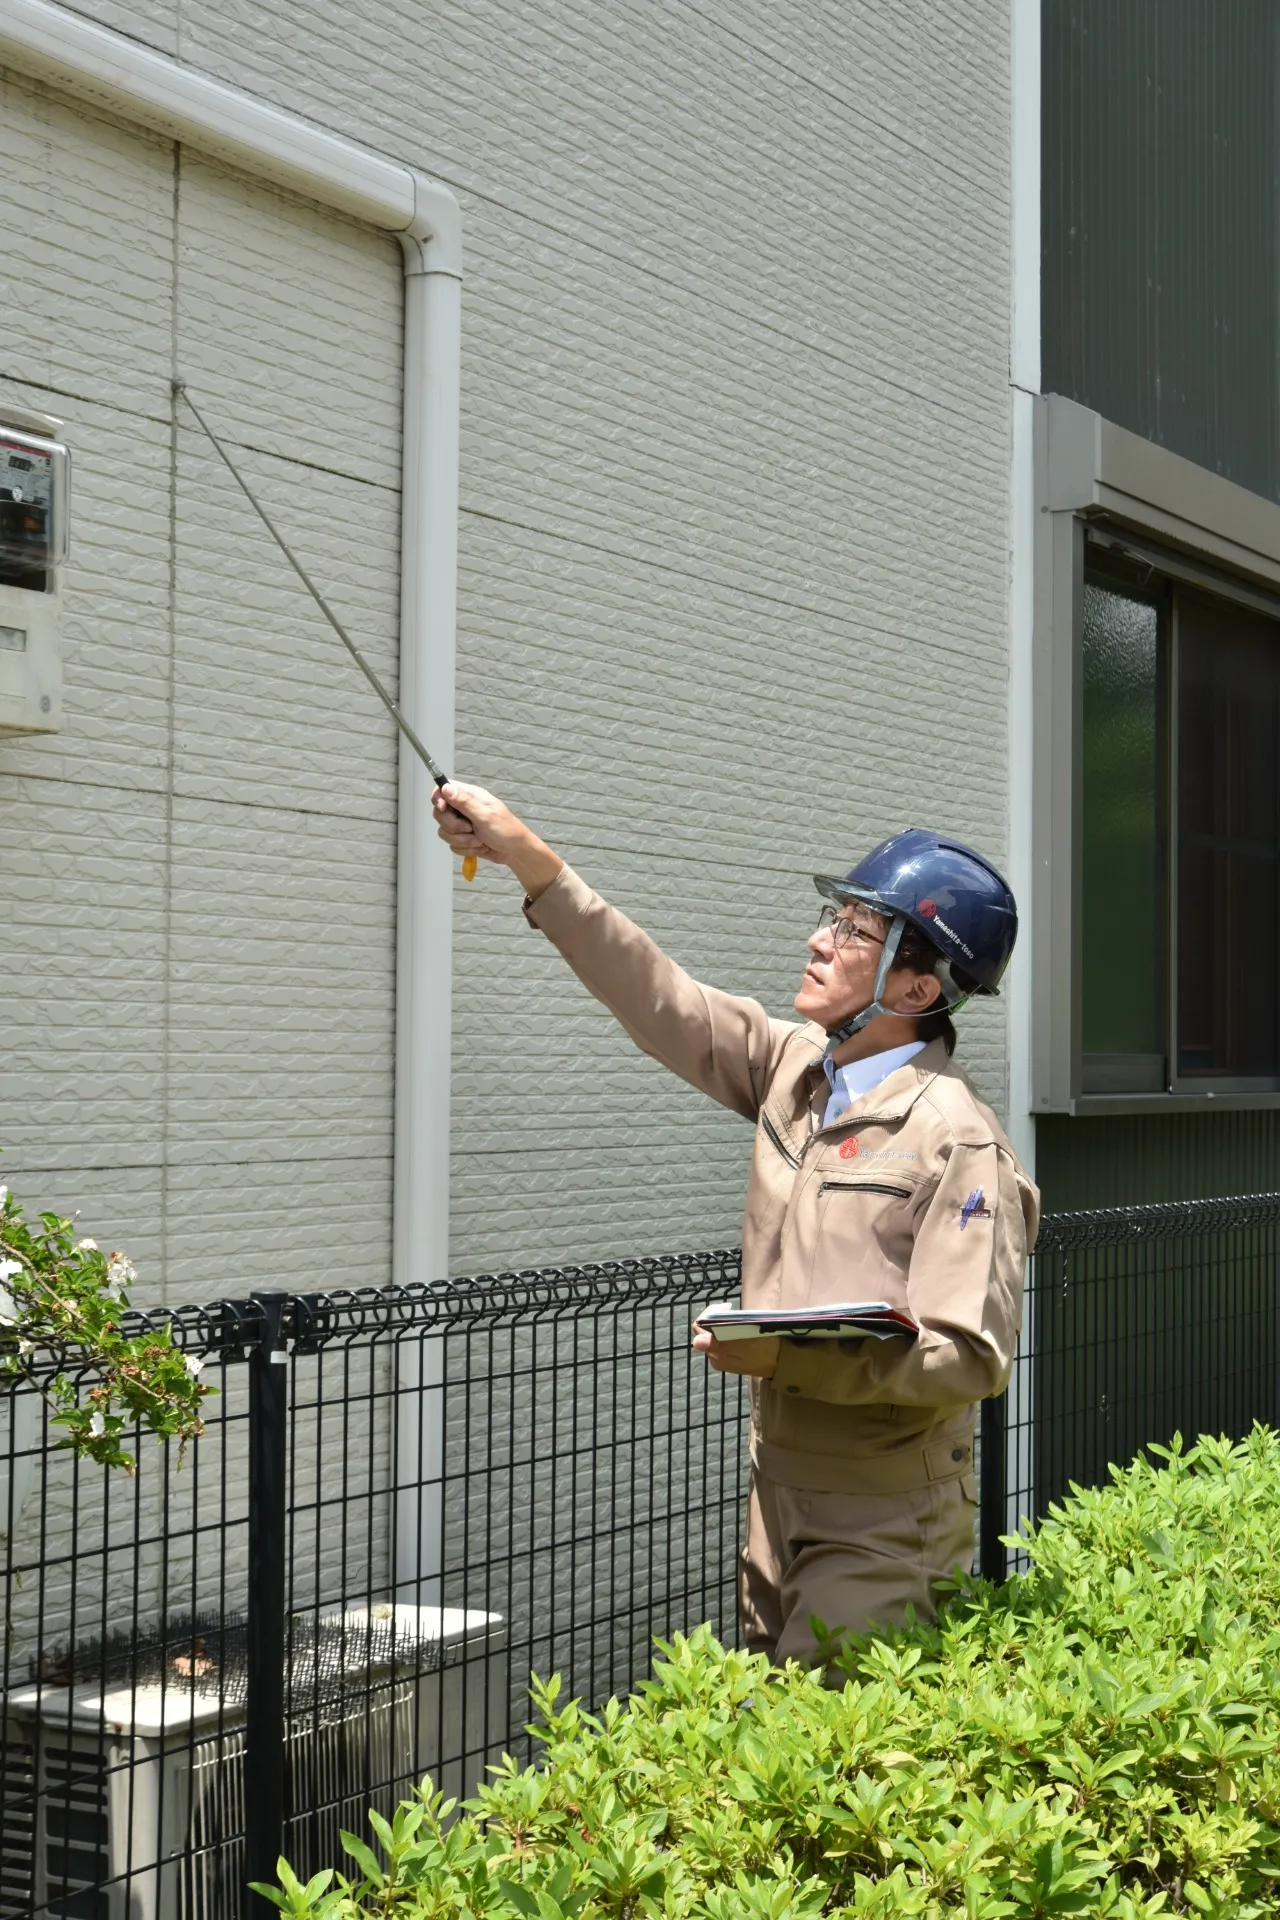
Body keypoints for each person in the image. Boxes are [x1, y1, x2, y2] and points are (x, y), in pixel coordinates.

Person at [431, 781, 1039, 1665]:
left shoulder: (957, 1138)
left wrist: (783, 1354)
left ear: (917, 985)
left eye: (855, 932)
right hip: (774, 1493)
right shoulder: (795, 1071)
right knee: (762, 1741)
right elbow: (657, 996)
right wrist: (528, 856)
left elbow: (969, 1355)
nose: (818, 941)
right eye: (833, 917)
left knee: (834, 1766)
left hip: (885, 1517)